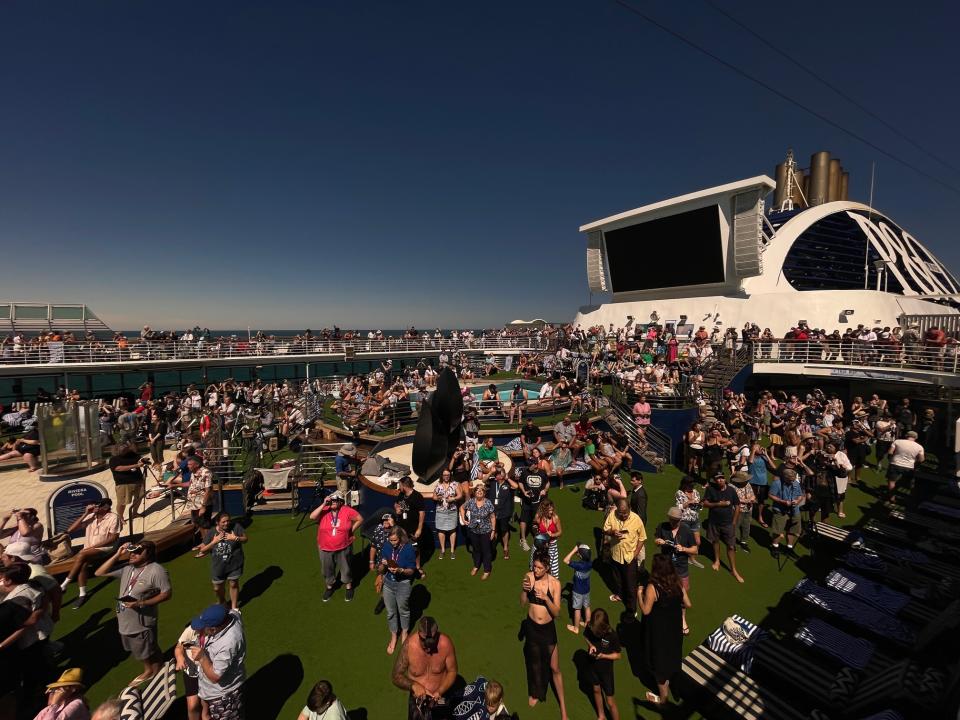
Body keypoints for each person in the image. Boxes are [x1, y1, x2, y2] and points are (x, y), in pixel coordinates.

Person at [94, 540, 172, 685]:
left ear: (148, 553)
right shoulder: (127, 568)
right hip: (125, 620)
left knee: (146, 649)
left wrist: (141, 603)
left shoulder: (157, 571)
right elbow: (99, 572)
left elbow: (166, 594)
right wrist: (118, 554)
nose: (132, 554)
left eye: (137, 552)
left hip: (142, 622)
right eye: (132, 552)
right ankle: (157, 666)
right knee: (146, 648)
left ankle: (151, 672)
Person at [519, 550, 569, 718]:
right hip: (532, 628)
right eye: (534, 566)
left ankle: (563, 707)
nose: (536, 570)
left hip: (547, 631)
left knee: (554, 668)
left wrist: (546, 599)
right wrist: (525, 591)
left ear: (547, 568)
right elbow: (522, 603)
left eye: (540, 568)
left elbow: (556, 613)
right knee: (534, 663)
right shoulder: (529, 577)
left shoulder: (555, 584)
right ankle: (535, 693)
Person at [639, 555, 691, 706]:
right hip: (674, 629)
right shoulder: (677, 583)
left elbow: (646, 611)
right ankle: (673, 685)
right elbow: (688, 603)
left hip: (658, 632)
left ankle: (663, 700)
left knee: (659, 667)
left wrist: (638, 596)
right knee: (672, 657)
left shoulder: (652, 588)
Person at [391, 616, 458, 720]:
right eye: (425, 644)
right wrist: (414, 685)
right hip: (418, 702)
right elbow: (396, 676)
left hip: (441, 698)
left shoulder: (445, 644)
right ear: (419, 634)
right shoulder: (409, 646)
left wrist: (440, 691)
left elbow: (452, 671)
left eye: (431, 645)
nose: (428, 649)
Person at [61, 499, 123, 609]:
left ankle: (65, 584)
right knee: (83, 564)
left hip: (106, 548)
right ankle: (82, 594)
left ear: (106, 507)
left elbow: (113, 538)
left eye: (97, 506)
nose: (94, 508)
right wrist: (85, 513)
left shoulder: (113, 517)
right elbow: (70, 530)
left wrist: (93, 547)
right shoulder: (91, 516)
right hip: (89, 549)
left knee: (82, 555)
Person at [188, 604, 246, 720]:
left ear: (214, 629)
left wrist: (203, 657)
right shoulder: (230, 616)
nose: (200, 630)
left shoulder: (229, 643)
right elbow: (234, 611)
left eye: (204, 628)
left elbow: (215, 676)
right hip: (210, 690)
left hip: (223, 696)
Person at [310, 491, 362, 602]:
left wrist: (351, 531)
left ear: (340, 502)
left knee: (346, 568)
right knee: (327, 569)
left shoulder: (347, 510)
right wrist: (324, 504)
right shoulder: (324, 510)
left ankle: (348, 586)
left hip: (343, 546)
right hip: (325, 547)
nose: (333, 502)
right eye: (332, 500)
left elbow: (360, 519)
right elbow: (312, 517)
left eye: (336, 500)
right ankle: (329, 587)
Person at [654, 507, 697, 635]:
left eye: (675, 521)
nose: (672, 522)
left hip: (681, 568)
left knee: (682, 597)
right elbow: (655, 540)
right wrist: (659, 541)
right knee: (665, 593)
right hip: (666, 568)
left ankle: (682, 619)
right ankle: (666, 615)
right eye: (671, 519)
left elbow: (695, 550)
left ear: (679, 520)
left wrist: (683, 549)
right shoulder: (662, 526)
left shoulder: (686, 530)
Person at [601, 498, 646, 617]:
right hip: (615, 555)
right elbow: (605, 529)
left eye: (625, 513)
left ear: (629, 509)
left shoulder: (636, 519)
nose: (623, 516)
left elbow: (642, 538)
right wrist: (612, 532)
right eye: (620, 513)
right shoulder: (612, 515)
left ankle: (632, 610)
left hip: (630, 557)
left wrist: (635, 554)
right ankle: (620, 595)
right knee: (618, 579)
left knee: (631, 586)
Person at [378, 527, 417, 654]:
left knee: (403, 611)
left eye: (395, 540)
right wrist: (382, 565)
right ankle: (394, 636)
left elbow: (412, 570)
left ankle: (404, 632)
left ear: (400, 538)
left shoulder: (409, 549)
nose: (392, 543)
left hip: (403, 584)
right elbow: (381, 569)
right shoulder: (387, 546)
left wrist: (400, 570)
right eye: (391, 540)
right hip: (388, 583)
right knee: (390, 612)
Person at [198, 513, 247, 610]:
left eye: (228, 520)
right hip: (218, 566)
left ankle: (234, 607)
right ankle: (222, 601)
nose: (226, 523)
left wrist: (235, 538)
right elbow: (202, 550)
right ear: (217, 522)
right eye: (223, 522)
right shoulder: (211, 532)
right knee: (217, 588)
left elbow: (245, 539)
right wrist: (214, 541)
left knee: (233, 583)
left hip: (234, 563)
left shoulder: (236, 527)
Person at [702, 473, 744, 583]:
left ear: (725, 479)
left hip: (728, 524)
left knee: (731, 546)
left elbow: (737, 506)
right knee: (715, 541)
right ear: (715, 481)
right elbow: (705, 504)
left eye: (722, 478)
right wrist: (718, 504)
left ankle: (733, 570)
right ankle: (717, 560)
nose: (720, 480)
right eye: (718, 479)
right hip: (714, 522)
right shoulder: (710, 489)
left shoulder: (731, 490)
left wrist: (734, 521)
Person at [583, 607, 622, 720]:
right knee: (596, 690)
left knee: (610, 702)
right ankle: (601, 715)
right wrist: (591, 646)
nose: (595, 634)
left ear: (604, 628)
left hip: (606, 673)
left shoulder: (612, 635)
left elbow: (618, 655)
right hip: (592, 666)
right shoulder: (590, 627)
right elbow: (585, 636)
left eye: (597, 633)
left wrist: (604, 656)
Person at [460, 485, 495, 579]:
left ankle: (487, 570)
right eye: (477, 490)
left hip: (486, 531)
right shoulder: (470, 502)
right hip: (473, 530)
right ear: (474, 492)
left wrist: (493, 530)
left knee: (486, 551)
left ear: (484, 493)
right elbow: (462, 508)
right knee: (476, 550)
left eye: (482, 490)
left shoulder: (488, 503)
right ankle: (476, 566)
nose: (479, 491)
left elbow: (492, 517)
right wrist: (463, 519)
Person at [108, 442, 147, 527]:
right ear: (118, 450)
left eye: (127, 449)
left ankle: (135, 513)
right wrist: (136, 465)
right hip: (123, 483)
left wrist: (142, 460)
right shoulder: (114, 459)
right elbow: (118, 468)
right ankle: (121, 518)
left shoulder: (132, 454)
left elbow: (139, 458)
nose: (127, 450)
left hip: (138, 480)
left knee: (139, 498)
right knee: (122, 502)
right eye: (124, 450)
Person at [769, 468, 804, 558]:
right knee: (778, 530)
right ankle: (775, 547)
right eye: (791, 480)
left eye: (793, 479)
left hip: (794, 510)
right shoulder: (776, 483)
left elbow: (800, 495)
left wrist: (797, 501)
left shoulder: (795, 483)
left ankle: (789, 548)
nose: (793, 481)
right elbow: (771, 495)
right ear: (785, 478)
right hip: (780, 510)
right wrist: (782, 501)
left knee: (793, 529)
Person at [515, 458, 548, 552]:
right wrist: (523, 491)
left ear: (536, 464)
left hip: (538, 501)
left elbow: (547, 482)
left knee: (538, 519)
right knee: (523, 519)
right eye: (528, 465)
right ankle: (523, 540)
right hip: (526, 500)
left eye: (531, 465)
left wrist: (544, 490)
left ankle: (540, 538)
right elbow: (520, 482)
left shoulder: (542, 473)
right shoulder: (525, 472)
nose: (529, 466)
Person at [396, 478, 426, 576]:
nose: (399, 487)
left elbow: (422, 513)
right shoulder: (401, 495)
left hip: (413, 529)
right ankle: (404, 565)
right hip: (401, 528)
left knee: (415, 549)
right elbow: (396, 503)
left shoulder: (417, 496)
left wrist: (419, 529)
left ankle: (417, 567)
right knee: (401, 547)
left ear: (404, 486)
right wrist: (397, 508)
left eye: (400, 485)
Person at [174, 621, 202, 720]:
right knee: (192, 706)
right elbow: (179, 647)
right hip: (191, 673)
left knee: (206, 702)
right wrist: (180, 658)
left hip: (207, 672)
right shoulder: (190, 630)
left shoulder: (213, 633)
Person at [369, 513, 396, 616]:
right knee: (382, 582)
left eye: (388, 520)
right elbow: (373, 546)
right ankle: (383, 600)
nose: (386, 522)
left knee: (394, 582)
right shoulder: (378, 530)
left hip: (395, 562)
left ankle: (392, 601)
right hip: (381, 562)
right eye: (384, 521)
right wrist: (371, 561)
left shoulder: (396, 531)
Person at [886, 430, 925, 502]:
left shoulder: (897, 441)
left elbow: (890, 452)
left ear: (906, 435)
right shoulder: (920, 447)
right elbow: (921, 460)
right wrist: (915, 464)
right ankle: (909, 498)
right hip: (909, 466)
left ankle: (892, 497)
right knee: (909, 483)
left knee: (892, 481)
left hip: (895, 463)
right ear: (916, 438)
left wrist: (890, 460)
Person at [562, 544, 592, 634]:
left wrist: (574, 550)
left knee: (577, 609)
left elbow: (565, 560)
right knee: (587, 607)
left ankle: (576, 628)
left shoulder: (579, 565)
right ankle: (587, 623)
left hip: (577, 591)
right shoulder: (590, 563)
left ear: (581, 555)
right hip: (586, 590)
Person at [432, 470, 461, 560]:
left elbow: (460, 495)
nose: (446, 476)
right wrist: (438, 498)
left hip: (452, 510)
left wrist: (453, 499)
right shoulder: (438, 485)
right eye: (444, 475)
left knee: (452, 530)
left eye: (448, 475)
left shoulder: (454, 484)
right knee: (441, 530)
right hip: (441, 511)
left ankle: (452, 551)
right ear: (442, 476)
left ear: (450, 475)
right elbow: (434, 496)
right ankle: (443, 550)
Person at [530, 499, 562, 577]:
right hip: (539, 544)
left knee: (552, 569)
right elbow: (533, 525)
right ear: (544, 510)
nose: (551, 512)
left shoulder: (555, 518)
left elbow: (560, 532)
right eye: (549, 510)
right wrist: (537, 533)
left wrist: (552, 535)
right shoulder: (538, 517)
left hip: (551, 545)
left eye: (552, 510)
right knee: (535, 565)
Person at [490, 469, 515, 560]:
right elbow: (483, 480)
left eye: (500, 473)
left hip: (504, 512)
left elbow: (516, 486)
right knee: (494, 529)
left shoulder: (508, 484)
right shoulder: (493, 483)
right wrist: (490, 472)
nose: (498, 475)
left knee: (504, 530)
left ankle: (505, 547)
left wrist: (507, 478)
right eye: (497, 474)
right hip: (493, 512)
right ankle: (493, 547)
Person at [730, 472, 756, 553]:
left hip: (748, 509)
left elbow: (752, 494)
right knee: (734, 527)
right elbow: (732, 499)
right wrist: (746, 500)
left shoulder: (747, 484)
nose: (746, 481)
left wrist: (752, 498)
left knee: (746, 526)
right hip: (737, 510)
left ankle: (743, 542)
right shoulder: (731, 487)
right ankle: (732, 543)